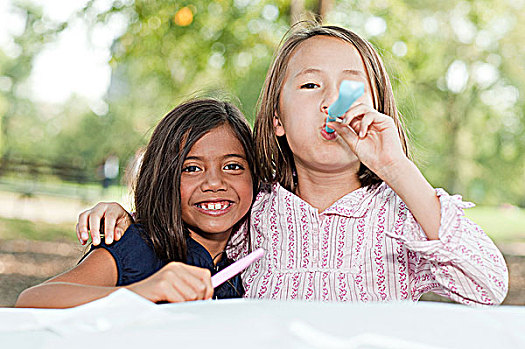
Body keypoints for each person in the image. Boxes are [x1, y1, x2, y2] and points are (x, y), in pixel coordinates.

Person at [74, 24, 508, 305]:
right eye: (310, 84)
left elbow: (488, 286)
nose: (331, 100)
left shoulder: (403, 213)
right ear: (278, 120)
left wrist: (397, 168)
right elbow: (187, 219)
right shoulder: (255, 211)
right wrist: (125, 216)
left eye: (350, 86)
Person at [15, 99, 258, 308]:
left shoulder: (255, 259)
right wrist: (144, 292)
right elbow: (33, 300)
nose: (214, 183)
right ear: (163, 177)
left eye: (233, 166)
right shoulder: (139, 244)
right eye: (191, 168)